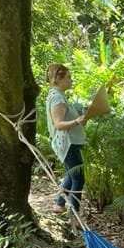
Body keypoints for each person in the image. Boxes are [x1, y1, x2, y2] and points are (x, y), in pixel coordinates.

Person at [45, 63, 87, 214]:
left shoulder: (59, 96)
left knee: (71, 175)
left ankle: (59, 205)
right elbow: (58, 124)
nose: (71, 80)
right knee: (78, 179)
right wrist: (76, 121)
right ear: (58, 79)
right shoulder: (57, 98)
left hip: (70, 142)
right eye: (68, 77)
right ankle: (74, 213)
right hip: (67, 143)